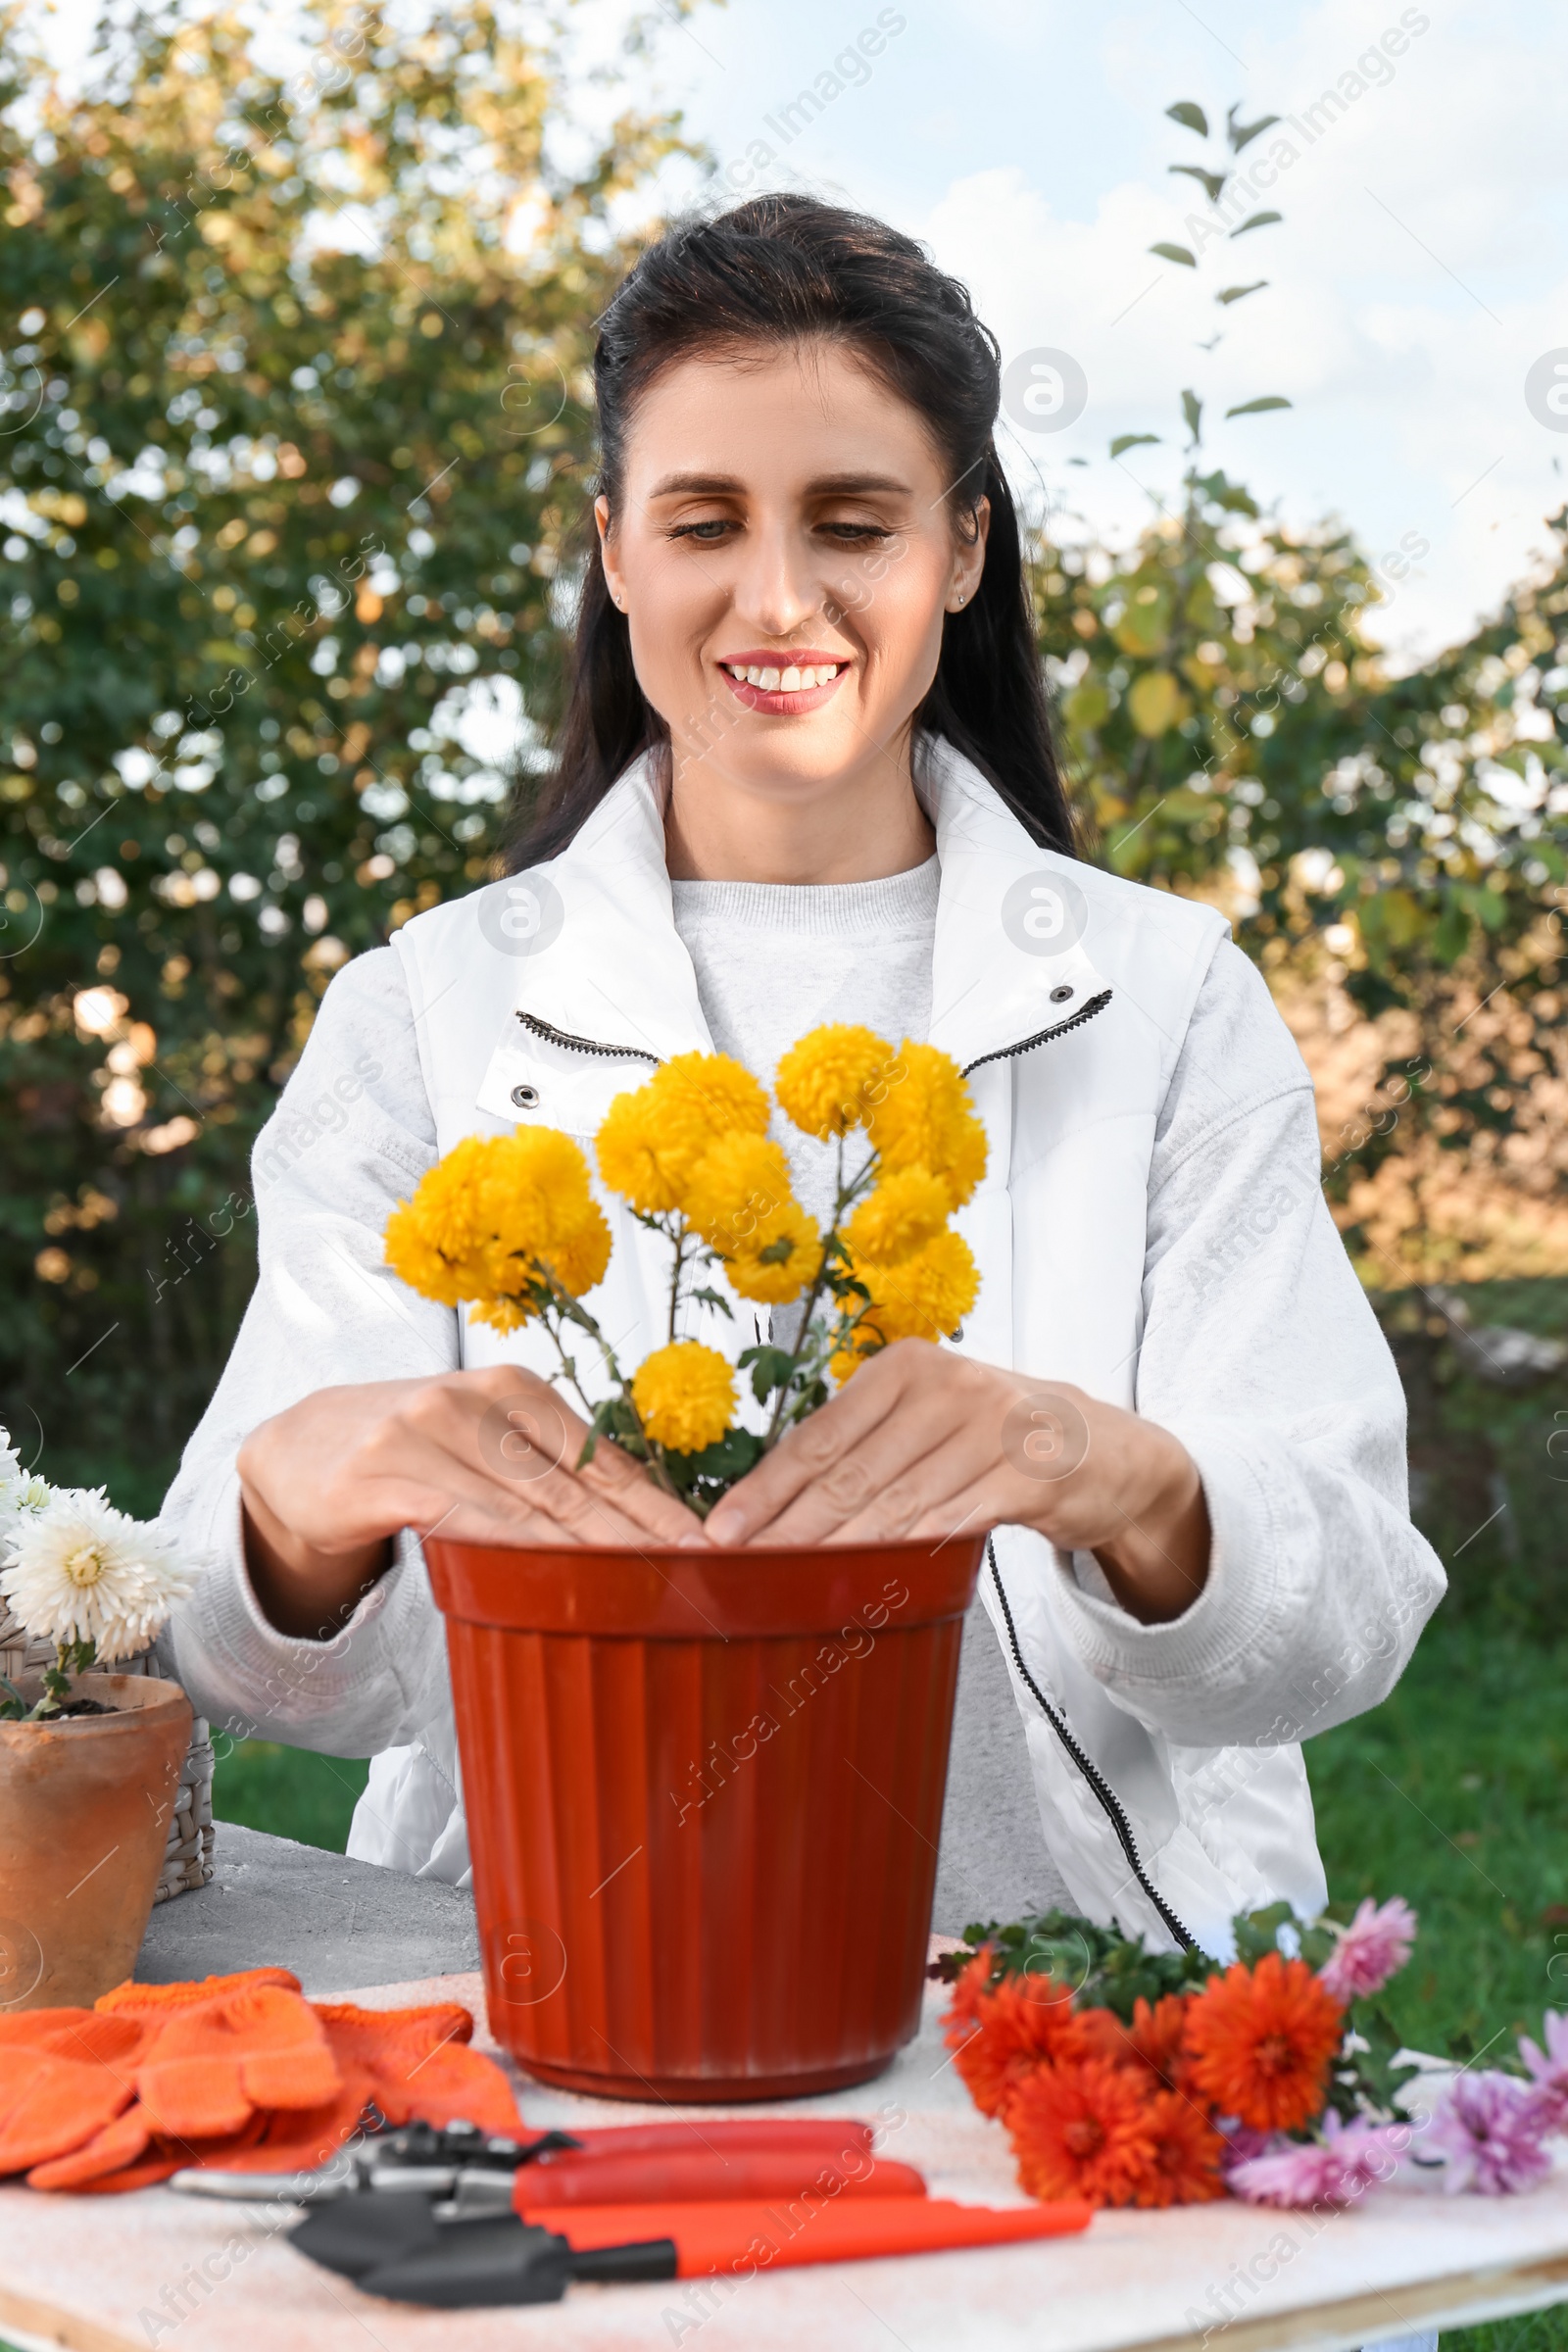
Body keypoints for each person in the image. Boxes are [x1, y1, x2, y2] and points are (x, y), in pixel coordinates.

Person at [164, 194, 1445, 1955]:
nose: (781, 597)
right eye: (706, 522)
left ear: (965, 546)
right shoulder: (427, 1013)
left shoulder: (1166, 1003)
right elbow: (256, 1672)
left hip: (1081, 2008)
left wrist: (1104, 1470)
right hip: (565, 1983)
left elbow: (1349, 1619)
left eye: (853, 522)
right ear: (616, 552)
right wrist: (301, 1510)